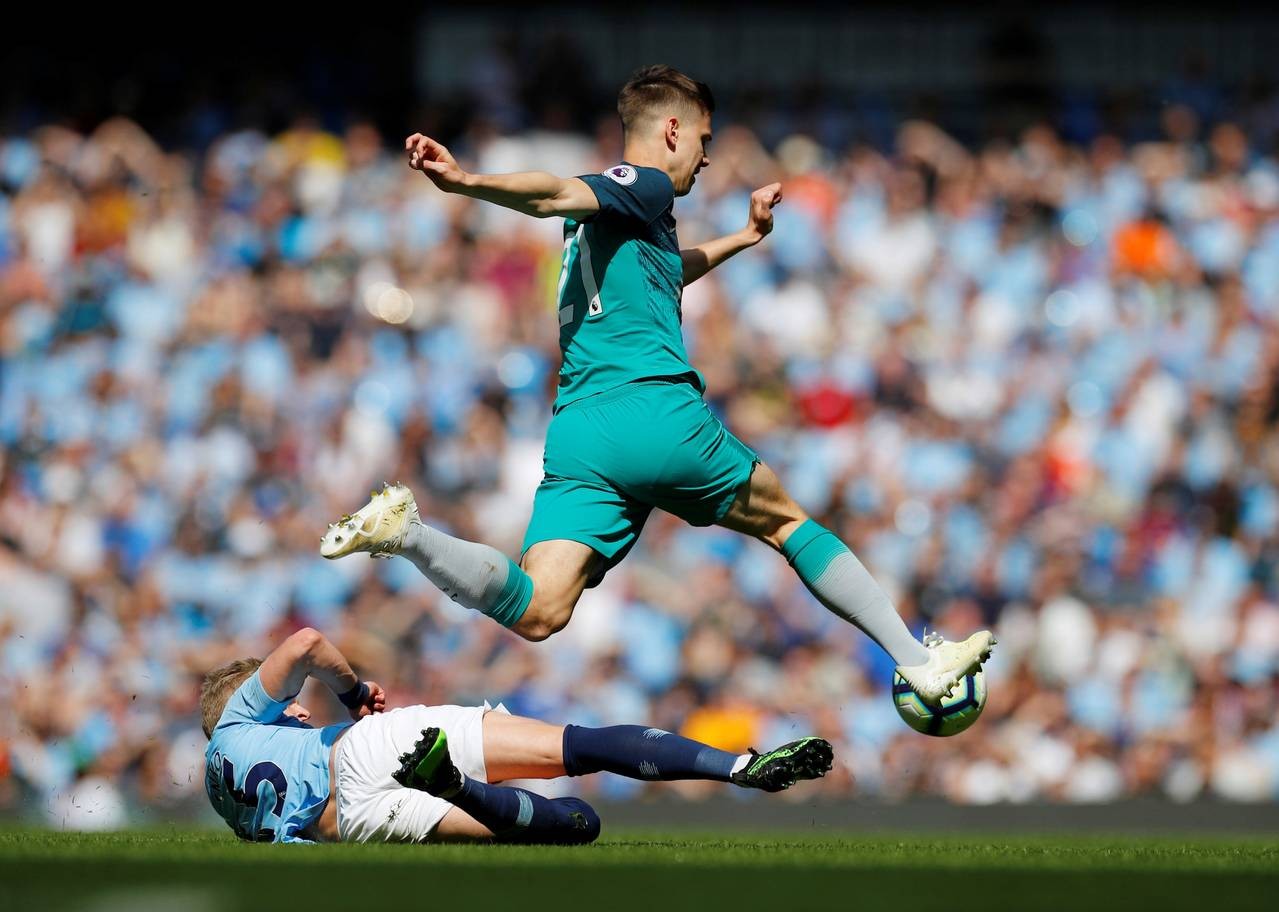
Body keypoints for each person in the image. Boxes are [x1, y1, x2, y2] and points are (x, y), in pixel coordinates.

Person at [320, 64, 993, 704]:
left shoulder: (620, 222)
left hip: (580, 432)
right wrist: (465, 181)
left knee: (538, 609)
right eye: (702, 140)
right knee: (788, 522)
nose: (703, 158)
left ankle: (407, 534)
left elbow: (664, 269)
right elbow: (555, 188)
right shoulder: (640, 184)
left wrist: (743, 238)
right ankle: (917, 660)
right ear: (671, 129)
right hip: (650, 406)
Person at [201, 627, 833, 844]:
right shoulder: (236, 719)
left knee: (574, 826)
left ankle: (454, 788)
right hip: (370, 748)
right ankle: (736, 768)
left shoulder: (226, 803)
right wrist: (352, 693)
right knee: (574, 745)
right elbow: (307, 644)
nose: (297, 712)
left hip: (356, 823)